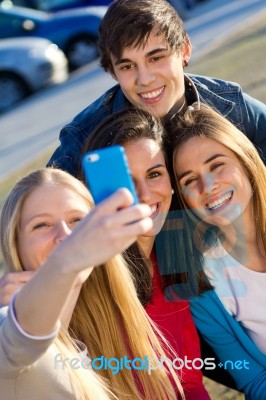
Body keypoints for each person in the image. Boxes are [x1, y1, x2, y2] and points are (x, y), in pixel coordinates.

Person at [0, 167, 184, 400]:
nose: (65, 235)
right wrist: (67, 261)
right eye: (41, 225)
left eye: (77, 220)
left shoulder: (87, 337)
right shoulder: (7, 324)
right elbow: (21, 340)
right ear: (15, 244)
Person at [47, 0, 266, 176]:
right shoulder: (84, 138)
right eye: (127, 66)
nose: (145, 79)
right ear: (113, 72)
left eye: (156, 58)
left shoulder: (231, 105)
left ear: (184, 50)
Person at [81, 108, 211, 399]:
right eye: (127, 181)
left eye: (154, 174)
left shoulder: (172, 260)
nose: (144, 194)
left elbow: (189, 383)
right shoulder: (88, 280)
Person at [170, 104, 266, 399]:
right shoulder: (204, 285)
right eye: (188, 180)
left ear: (245, 159)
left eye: (216, 165)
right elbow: (254, 381)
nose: (207, 186)